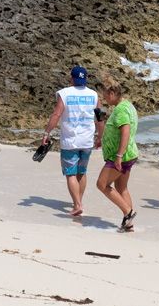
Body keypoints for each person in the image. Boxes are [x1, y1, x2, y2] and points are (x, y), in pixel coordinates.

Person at [41, 65, 99, 217]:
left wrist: (47, 133)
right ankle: (78, 201)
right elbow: (100, 117)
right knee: (82, 172)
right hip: (87, 140)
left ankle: (77, 205)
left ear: (71, 78)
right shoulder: (94, 94)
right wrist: (101, 136)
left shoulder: (64, 93)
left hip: (70, 141)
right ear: (85, 79)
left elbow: (56, 114)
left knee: (70, 174)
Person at [97, 77, 139, 232]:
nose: (104, 99)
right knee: (121, 188)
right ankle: (129, 224)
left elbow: (125, 131)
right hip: (130, 154)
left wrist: (119, 156)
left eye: (105, 95)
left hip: (121, 156)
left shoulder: (121, 109)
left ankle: (128, 213)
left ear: (113, 93)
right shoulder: (127, 105)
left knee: (102, 184)